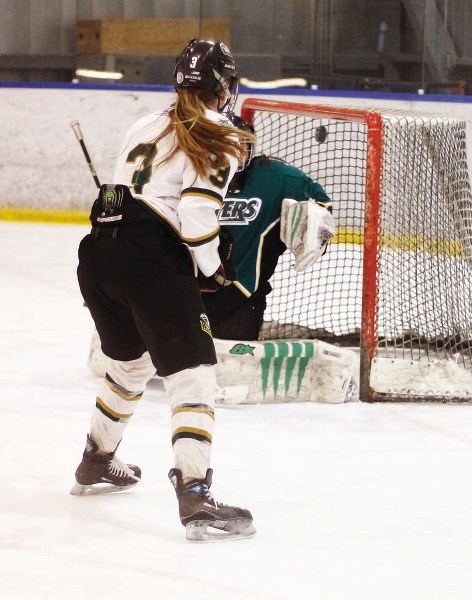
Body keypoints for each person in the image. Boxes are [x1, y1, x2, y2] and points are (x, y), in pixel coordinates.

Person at [71, 39, 256, 543]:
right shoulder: (222, 132)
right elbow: (196, 216)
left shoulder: (148, 123)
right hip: (148, 261)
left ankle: (96, 460)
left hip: (99, 254)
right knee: (193, 375)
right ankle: (194, 489)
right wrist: (215, 269)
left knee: (130, 366)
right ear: (224, 88)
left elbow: (128, 195)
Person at [201, 114, 333, 340]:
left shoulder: (276, 177)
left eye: (242, 145)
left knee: (234, 368)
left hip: (243, 295)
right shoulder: (193, 174)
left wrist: (310, 231)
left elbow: (321, 202)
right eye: (228, 146)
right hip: (192, 290)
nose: (237, 154)